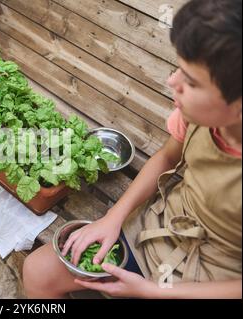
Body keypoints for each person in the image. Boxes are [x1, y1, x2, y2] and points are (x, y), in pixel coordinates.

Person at [23, 0, 242, 299]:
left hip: (214, 279)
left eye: (189, 82)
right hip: (159, 227)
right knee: (38, 272)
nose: (171, 81)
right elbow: (166, 156)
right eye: (178, 69)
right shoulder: (197, 117)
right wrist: (112, 219)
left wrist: (153, 291)